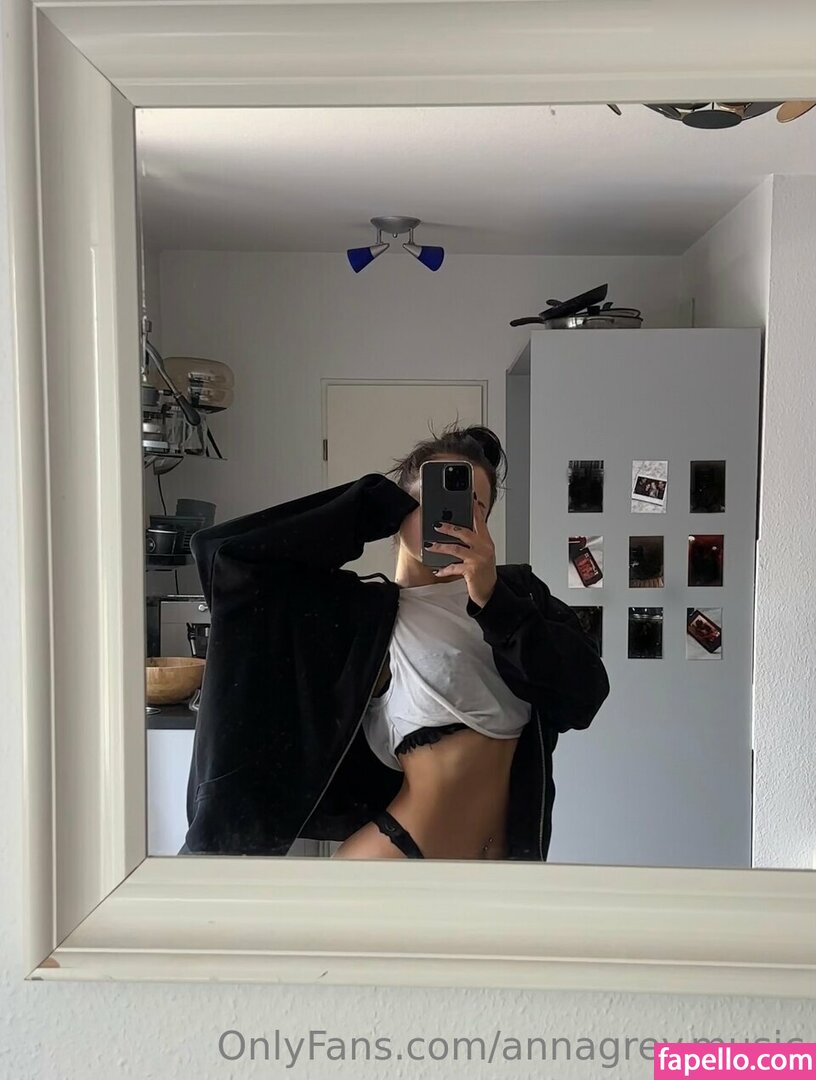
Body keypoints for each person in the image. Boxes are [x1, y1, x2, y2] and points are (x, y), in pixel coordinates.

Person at [182, 424, 609, 861]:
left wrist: (492, 599)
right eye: (432, 501)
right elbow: (227, 559)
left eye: (473, 507)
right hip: (399, 858)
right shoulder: (364, 613)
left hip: (505, 864)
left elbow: (583, 699)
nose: (450, 517)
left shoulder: (520, 595)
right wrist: (371, 506)